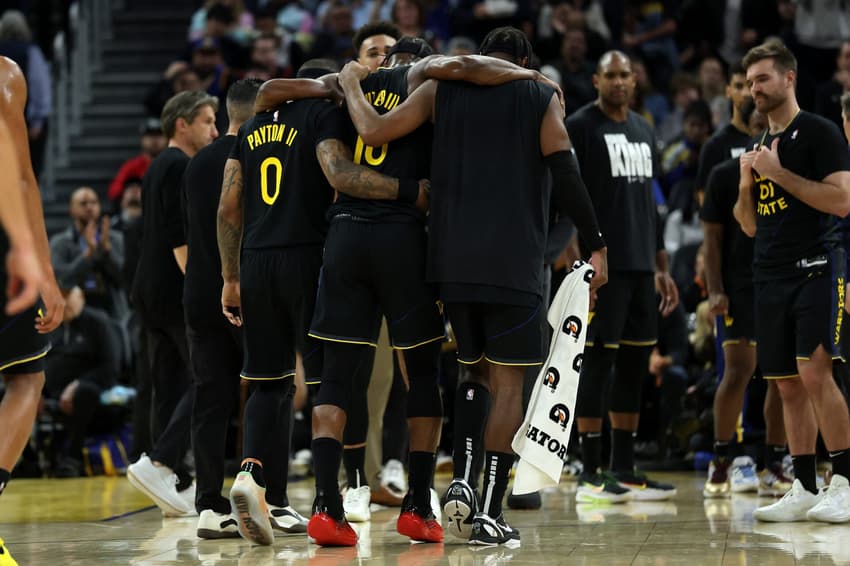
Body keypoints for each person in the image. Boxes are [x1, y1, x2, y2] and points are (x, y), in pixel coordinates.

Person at [339, 27, 608, 545]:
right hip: (512, 260)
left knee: (471, 369)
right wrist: (596, 242)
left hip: (449, 259)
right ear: (524, 61)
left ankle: (460, 476)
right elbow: (566, 172)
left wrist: (352, 82)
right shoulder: (537, 92)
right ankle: (487, 507)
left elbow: (376, 132)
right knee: (510, 384)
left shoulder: (441, 88)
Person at [217, 58, 427, 546]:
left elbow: (228, 207)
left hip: (255, 260)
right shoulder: (321, 118)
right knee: (327, 382)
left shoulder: (248, 128)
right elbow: (338, 173)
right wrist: (411, 191)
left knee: (267, 382)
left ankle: (250, 473)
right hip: (308, 258)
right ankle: (329, 496)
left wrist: (230, 276)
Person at [733, 41, 850, 523]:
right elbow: (749, 224)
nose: (753, 89)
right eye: (749, 81)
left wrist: (779, 175)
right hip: (770, 275)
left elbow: (842, 200)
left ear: (789, 78)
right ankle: (802, 484)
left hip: (817, 269)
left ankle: (843, 481)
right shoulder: (757, 146)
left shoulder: (820, 132)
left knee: (816, 375)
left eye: (762, 78)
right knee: (785, 385)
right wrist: (748, 184)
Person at [566, 51, 679, 504]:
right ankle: (590, 471)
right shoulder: (580, 126)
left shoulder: (644, 128)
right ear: (595, 80)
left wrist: (661, 264)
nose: (618, 82)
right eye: (609, 75)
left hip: (639, 266)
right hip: (602, 267)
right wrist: (578, 257)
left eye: (624, 75)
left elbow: (649, 205)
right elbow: (567, 193)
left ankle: (625, 468)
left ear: (635, 79)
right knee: (597, 363)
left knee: (633, 364)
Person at [127, 91, 219, 518]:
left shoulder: (156, 166)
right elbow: (177, 233)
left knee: (167, 387)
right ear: (181, 124)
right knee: (206, 379)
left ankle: (170, 480)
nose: (214, 130)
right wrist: (197, 283)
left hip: (149, 290)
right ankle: (160, 462)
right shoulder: (179, 165)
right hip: (172, 288)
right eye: (206, 121)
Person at [182, 79, 261, 540]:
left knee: (210, 400)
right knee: (267, 391)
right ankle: (263, 493)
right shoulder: (256, 156)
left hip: (198, 293)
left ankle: (208, 505)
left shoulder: (196, 164)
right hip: (243, 292)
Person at [701, 100, 792, 498]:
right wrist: (715, 288)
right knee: (737, 372)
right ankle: (723, 459)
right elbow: (712, 241)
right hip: (738, 285)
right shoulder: (723, 175)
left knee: (782, 377)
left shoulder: (789, 172)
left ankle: (776, 460)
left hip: (780, 280)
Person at [0, 55, 64, 566]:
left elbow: (23, 180)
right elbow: (21, 180)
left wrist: (44, 270)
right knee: (27, 379)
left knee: (28, 375)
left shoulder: (10, 75)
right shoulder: (8, 77)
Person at [43, 285, 122, 478]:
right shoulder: (52, 325)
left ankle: (73, 458)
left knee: (84, 392)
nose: (65, 302)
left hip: (91, 390)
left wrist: (76, 384)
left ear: (82, 298)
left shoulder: (98, 323)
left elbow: (110, 368)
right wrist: (34, 393)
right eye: (61, 297)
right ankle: (23, 459)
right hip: (51, 392)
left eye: (69, 297)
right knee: (12, 393)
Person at [49, 187, 126, 319]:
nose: (89, 207)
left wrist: (107, 252)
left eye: (94, 202)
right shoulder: (59, 242)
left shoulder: (115, 239)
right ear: (71, 210)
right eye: (83, 203)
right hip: (75, 313)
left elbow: (126, 279)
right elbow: (60, 281)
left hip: (112, 313)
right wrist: (87, 256)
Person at [107, 119, 167, 204]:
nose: (154, 139)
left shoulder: (172, 164)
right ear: (142, 139)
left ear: (167, 138)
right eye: (150, 135)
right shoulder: (132, 166)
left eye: (159, 135)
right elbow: (114, 191)